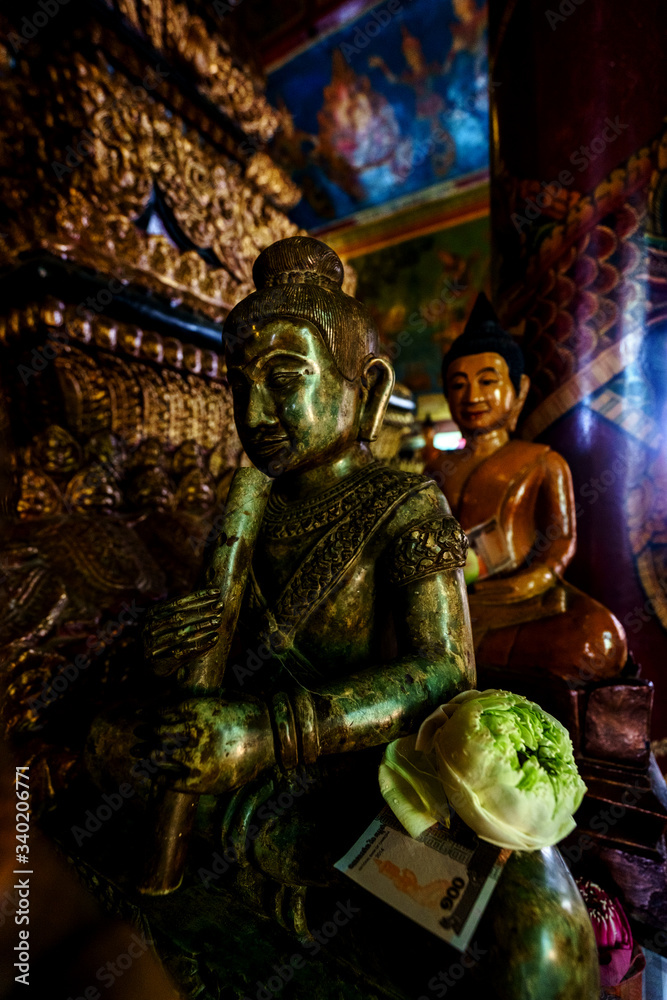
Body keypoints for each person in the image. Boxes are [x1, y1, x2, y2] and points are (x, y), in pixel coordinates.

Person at [424, 292, 627, 684]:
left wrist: (534, 579)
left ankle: (458, 661)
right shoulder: (436, 469)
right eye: (459, 384)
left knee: (596, 639)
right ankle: (460, 657)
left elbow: (561, 539)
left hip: (525, 601)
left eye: (487, 381)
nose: (473, 396)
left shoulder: (543, 461)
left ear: (519, 390)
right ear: (447, 395)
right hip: (453, 602)